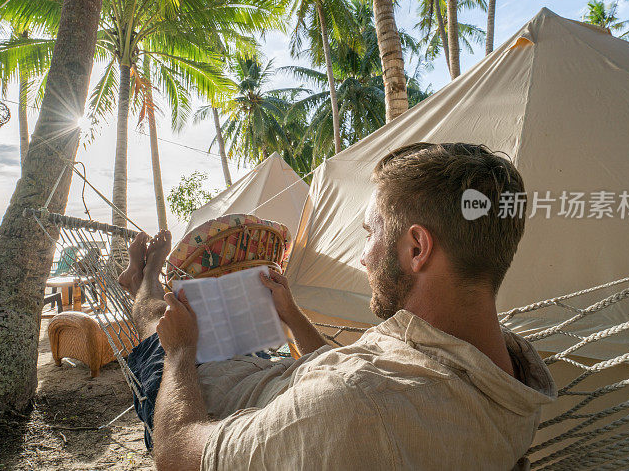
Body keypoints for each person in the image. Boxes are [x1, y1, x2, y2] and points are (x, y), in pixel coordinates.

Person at [118, 142, 557, 471]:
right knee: (231, 335)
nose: (364, 256)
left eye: (370, 233)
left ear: (417, 247)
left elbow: (177, 456)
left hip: (198, 394)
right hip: (269, 376)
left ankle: (143, 280)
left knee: (158, 318)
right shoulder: (512, 373)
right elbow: (343, 367)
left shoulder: (359, 406)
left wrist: (178, 352)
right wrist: (291, 315)